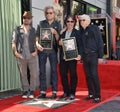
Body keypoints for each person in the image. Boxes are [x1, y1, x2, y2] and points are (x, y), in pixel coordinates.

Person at [12, 11, 39, 99]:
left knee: (33, 74)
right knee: (23, 74)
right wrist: (15, 52)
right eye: (24, 18)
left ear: (30, 19)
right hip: (21, 55)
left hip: (32, 55)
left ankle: (31, 90)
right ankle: (25, 90)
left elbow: (36, 41)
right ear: (22, 19)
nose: (26, 19)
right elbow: (13, 42)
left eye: (28, 18)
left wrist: (36, 51)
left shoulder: (33, 30)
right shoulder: (17, 29)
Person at [36, 6, 61, 99]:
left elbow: (59, 40)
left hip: (53, 51)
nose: (49, 14)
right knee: (42, 71)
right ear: (45, 14)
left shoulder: (58, 24)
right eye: (47, 13)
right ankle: (43, 91)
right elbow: (37, 36)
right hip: (42, 51)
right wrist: (37, 44)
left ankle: (54, 91)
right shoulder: (41, 23)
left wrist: (55, 33)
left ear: (54, 14)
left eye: (51, 13)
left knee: (54, 71)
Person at [79, 14, 104, 103]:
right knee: (88, 75)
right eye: (81, 20)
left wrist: (100, 56)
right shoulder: (81, 31)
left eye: (83, 20)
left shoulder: (94, 28)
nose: (82, 22)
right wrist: (80, 55)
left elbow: (100, 41)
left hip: (93, 55)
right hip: (85, 56)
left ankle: (97, 96)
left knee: (94, 75)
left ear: (88, 21)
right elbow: (81, 46)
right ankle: (91, 94)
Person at [59, 15, 82, 100]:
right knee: (63, 74)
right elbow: (59, 44)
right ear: (66, 23)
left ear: (74, 23)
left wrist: (80, 55)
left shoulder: (77, 32)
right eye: (68, 21)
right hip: (63, 57)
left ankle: (72, 92)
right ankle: (66, 91)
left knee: (73, 75)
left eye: (72, 21)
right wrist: (59, 43)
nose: (70, 23)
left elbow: (80, 45)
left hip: (73, 57)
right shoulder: (63, 33)